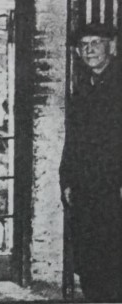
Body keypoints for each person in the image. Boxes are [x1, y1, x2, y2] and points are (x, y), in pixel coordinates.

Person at [60, 22, 122, 302]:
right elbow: (73, 141)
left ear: (111, 46)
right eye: (84, 45)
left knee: (114, 255)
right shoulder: (83, 86)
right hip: (86, 187)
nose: (89, 49)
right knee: (88, 253)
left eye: (96, 42)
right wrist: (68, 181)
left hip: (114, 186)